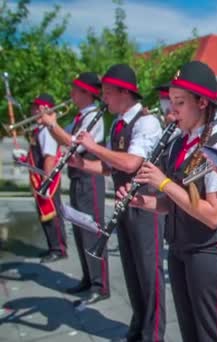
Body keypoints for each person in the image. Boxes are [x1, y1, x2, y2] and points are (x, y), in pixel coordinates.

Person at [117, 61, 217, 342]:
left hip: (207, 252)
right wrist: (144, 202)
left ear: (203, 102)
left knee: (212, 333)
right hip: (180, 247)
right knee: (189, 330)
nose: (172, 111)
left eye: (180, 102)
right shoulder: (179, 144)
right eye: (171, 102)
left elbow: (214, 215)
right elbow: (172, 204)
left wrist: (164, 183)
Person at [69, 64, 166, 342]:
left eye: (108, 93)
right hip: (126, 205)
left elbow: (132, 162)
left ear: (125, 92)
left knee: (149, 275)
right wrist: (82, 163)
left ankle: (153, 335)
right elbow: (112, 168)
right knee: (132, 273)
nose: (105, 100)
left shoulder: (147, 122)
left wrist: (92, 145)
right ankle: (138, 329)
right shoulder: (119, 125)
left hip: (147, 206)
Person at [38, 72, 109, 306]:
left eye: (75, 90)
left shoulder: (94, 117)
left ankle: (101, 285)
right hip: (78, 178)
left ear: (88, 93)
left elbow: (74, 144)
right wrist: (49, 127)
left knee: (91, 231)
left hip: (91, 179)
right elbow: (63, 138)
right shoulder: (79, 117)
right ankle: (89, 279)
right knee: (79, 232)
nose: (71, 94)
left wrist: (52, 124)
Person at [27, 94, 68, 263]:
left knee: (51, 213)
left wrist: (45, 181)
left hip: (46, 178)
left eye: (36, 107)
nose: (32, 110)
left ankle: (58, 248)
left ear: (44, 109)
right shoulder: (40, 129)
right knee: (45, 213)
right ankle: (53, 246)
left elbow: (49, 156)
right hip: (42, 176)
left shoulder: (46, 130)